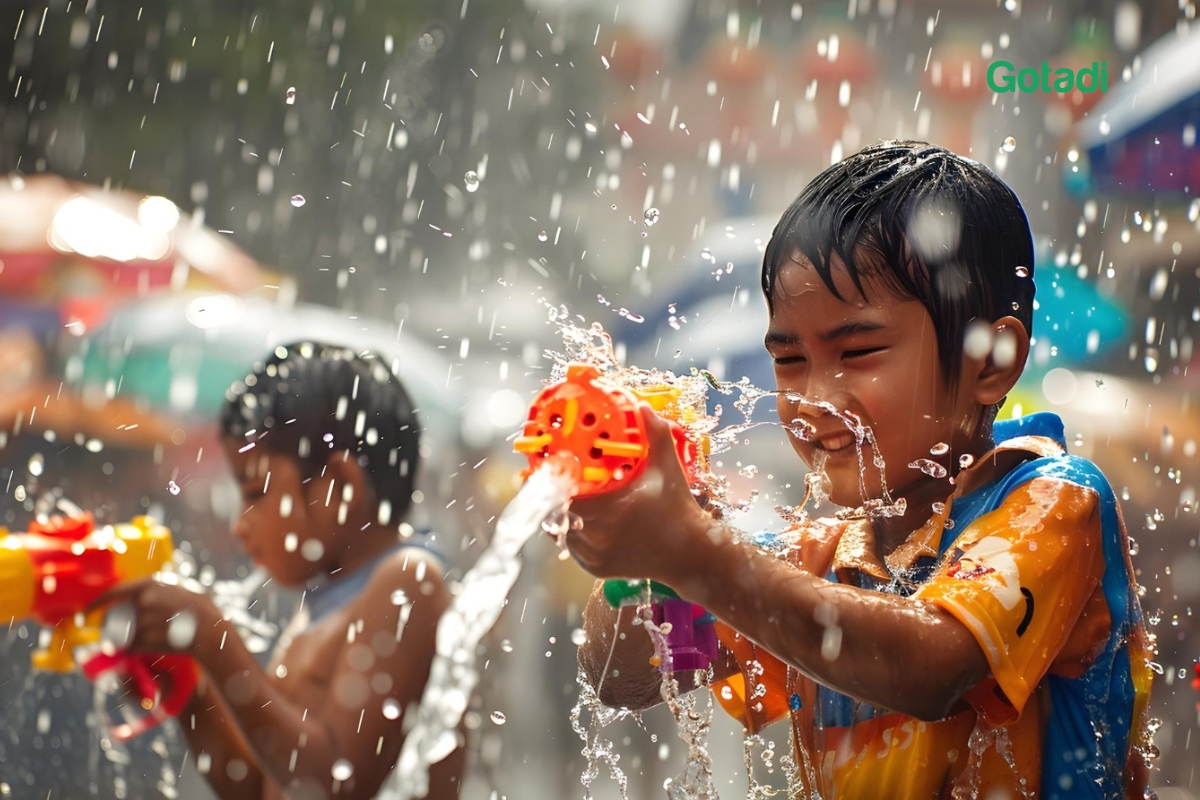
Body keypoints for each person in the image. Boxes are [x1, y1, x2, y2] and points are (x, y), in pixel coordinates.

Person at [570, 141, 1154, 798]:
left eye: (858, 352)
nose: (813, 396)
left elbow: (933, 669)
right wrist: (644, 560)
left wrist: (699, 555)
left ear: (989, 361)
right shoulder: (812, 562)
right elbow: (623, 675)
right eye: (790, 362)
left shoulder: (1052, 502)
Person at [92, 341, 463, 799]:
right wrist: (190, 691)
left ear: (339, 488)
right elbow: (260, 786)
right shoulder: (327, 601)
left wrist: (215, 639)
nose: (240, 525)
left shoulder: (407, 580)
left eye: (254, 493)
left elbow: (335, 783)